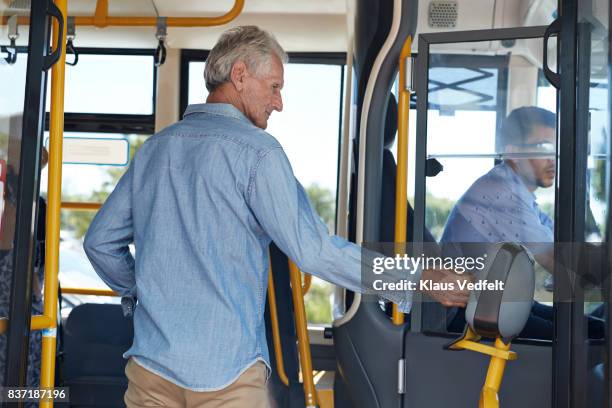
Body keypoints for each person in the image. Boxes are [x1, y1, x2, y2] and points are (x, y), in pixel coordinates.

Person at [84, 26, 470, 407]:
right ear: (239, 75)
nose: (279, 103)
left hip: (150, 369)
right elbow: (315, 251)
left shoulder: (154, 150)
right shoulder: (257, 153)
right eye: (274, 87)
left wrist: (145, 294)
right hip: (225, 376)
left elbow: (100, 243)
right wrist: (414, 278)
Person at [441, 106, 603, 339]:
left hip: (493, 303)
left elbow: (559, 240)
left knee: (595, 329)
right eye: (543, 148)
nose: (553, 159)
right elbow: (553, 257)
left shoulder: (517, 191)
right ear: (513, 153)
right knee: (591, 339)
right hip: (466, 316)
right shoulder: (500, 194)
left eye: (556, 148)